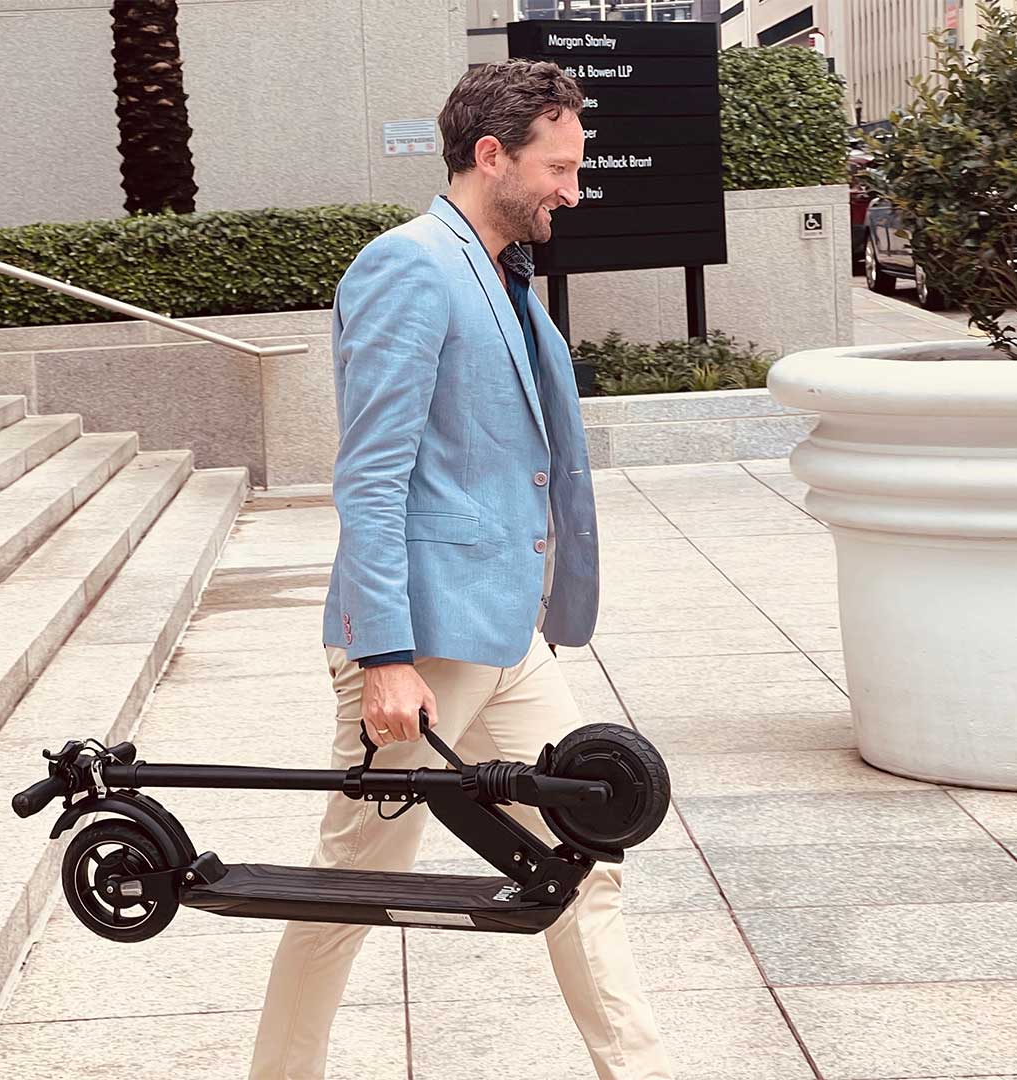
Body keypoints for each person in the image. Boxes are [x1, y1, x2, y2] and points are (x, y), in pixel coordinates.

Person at [248, 59, 672, 1080]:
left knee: (581, 858)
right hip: (424, 648)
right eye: (559, 168)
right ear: (492, 155)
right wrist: (383, 653)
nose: (574, 189)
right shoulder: (409, 265)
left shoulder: (499, 272)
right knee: (351, 886)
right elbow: (373, 475)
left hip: (504, 632)